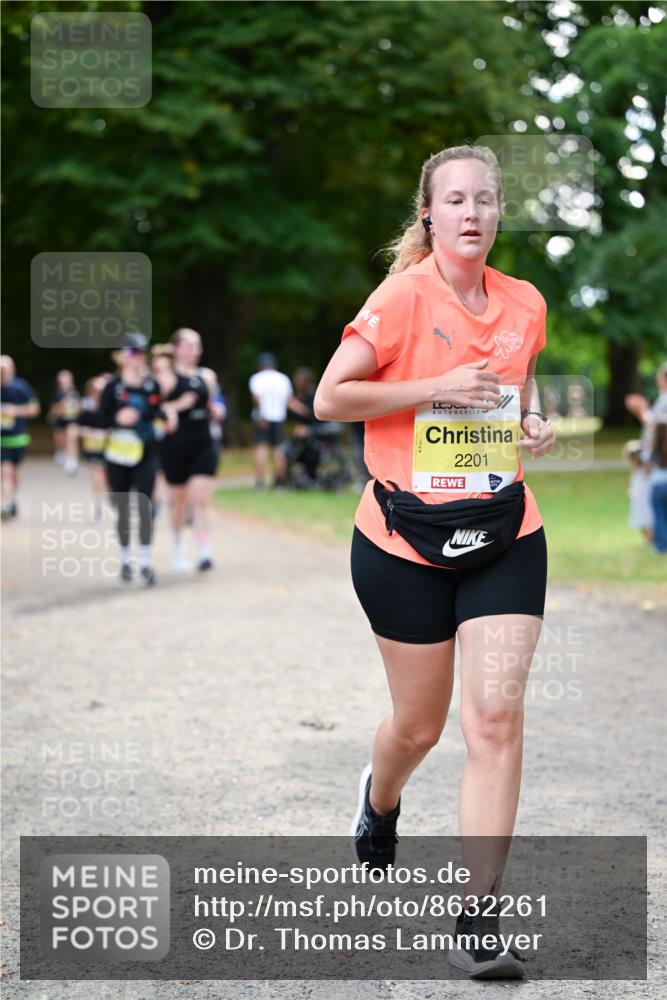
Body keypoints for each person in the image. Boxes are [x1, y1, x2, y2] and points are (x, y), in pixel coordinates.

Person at [314, 145, 556, 980]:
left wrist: (534, 421)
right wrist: (430, 388)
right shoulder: (400, 298)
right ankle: (379, 802)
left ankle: (478, 919)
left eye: (485, 200)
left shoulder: (526, 302)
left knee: (492, 719)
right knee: (418, 726)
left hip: (502, 531)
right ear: (428, 214)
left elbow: (516, 389)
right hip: (400, 540)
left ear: (496, 213)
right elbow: (330, 397)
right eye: (454, 199)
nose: (471, 213)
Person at [98, 333, 172, 585]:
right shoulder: (112, 387)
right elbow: (99, 418)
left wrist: (168, 415)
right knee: (122, 507)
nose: (136, 358)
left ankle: (145, 563)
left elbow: (156, 411)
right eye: (131, 353)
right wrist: (116, 420)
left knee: (145, 505)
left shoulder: (151, 385)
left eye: (140, 353)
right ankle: (125, 559)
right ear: (121, 356)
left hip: (145, 450)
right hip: (118, 453)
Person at [156, 328, 220, 572]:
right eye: (189, 345)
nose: (194, 350)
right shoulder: (166, 377)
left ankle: (204, 551)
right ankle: (177, 546)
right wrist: (177, 406)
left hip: (203, 443)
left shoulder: (207, 377)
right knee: (178, 500)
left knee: (201, 499)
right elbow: (154, 408)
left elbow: (214, 403)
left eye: (197, 345)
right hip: (175, 445)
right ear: (176, 349)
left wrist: (217, 411)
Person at [249, 353, 309, 489]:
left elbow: (256, 398)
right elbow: (289, 401)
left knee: (261, 450)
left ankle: (260, 483)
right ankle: (279, 483)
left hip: (262, 418)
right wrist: (305, 410)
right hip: (278, 418)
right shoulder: (283, 379)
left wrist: (261, 415)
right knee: (278, 450)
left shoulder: (257, 378)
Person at [0, 355, 40, 519]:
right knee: (5, 471)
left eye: (4, 368)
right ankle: (6, 504)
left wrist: (14, 411)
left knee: (14, 473)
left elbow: (35, 409)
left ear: (12, 369)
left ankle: (12, 498)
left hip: (18, 438)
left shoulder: (21, 387)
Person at [78, 373, 112, 519]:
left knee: (108, 477)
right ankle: (99, 504)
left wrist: (107, 433)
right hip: (92, 446)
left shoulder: (112, 406)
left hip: (110, 446)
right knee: (96, 474)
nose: (98, 393)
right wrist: (87, 432)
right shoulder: (85, 406)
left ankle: (108, 499)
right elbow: (77, 426)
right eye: (95, 390)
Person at [48, 369, 81, 476]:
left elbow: (79, 406)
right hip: (60, 420)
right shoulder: (56, 393)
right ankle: (61, 453)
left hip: (72, 419)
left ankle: (72, 461)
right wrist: (61, 405)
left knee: (72, 438)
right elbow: (53, 410)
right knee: (60, 439)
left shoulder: (75, 391)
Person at [623, 440, 652, 544]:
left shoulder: (645, 472)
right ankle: (648, 539)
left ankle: (649, 539)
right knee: (644, 520)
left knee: (646, 519)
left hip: (645, 502)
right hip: (640, 501)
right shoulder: (637, 473)